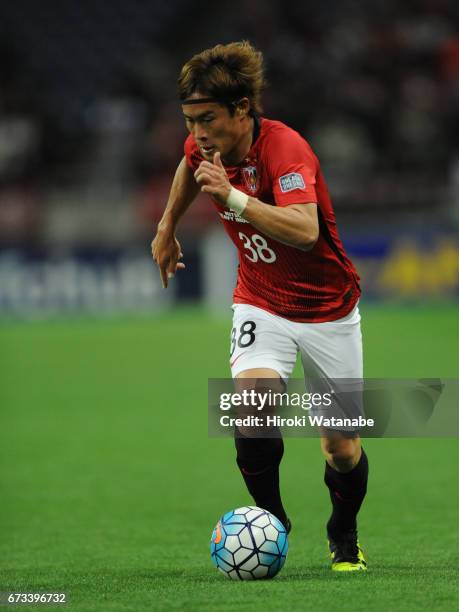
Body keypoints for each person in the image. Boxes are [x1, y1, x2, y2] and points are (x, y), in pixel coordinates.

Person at [151, 41, 368, 571]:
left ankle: (343, 533)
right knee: (250, 411)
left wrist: (233, 199)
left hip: (329, 311)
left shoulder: (285, 149)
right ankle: (272, 524)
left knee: (340, 446)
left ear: (242, 109)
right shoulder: (207, 148)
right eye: (189, 120)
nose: (198, 133)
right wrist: (167, 226)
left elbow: (303, 229)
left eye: (207, 119)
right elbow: (188, 166)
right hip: (261, 303)